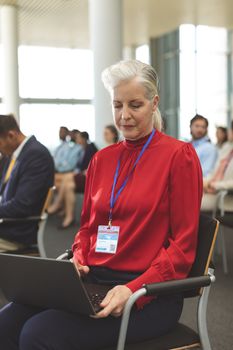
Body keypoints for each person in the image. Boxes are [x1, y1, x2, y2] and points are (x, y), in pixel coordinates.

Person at [0, 60, 202, 350]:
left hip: (148, 294)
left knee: (37, 334)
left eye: (135, 105)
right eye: (117, 105)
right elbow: (87, 229)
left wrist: (133, 289)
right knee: (6, 324)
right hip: (92, 282)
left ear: (154, 103)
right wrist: (80, 255)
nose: (125, 116)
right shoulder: (102, 159)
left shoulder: (178, 156)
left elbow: (183, 249)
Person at [0, 114, 54, 252]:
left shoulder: (36, 155)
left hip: (17, 231)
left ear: (11, 135)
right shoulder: (14, 154)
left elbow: (22, 205)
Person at [48, 131, 98, 228]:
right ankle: (68, 215)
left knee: (66, 178)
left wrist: (80, 171)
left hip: (89, 177)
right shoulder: (82, 149)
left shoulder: (90, 149)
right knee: (67, 185)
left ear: (83, 139)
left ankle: (58, 205)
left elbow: (91, 167)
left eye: (79, 138)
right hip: (80, 174)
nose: (77, 140)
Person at [202, 122, 233, 212]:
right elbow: (214, 172)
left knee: (187, 204)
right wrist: (205, 182)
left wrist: (214, 185)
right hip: (211, 190)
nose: (229, 132)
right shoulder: (227, 147)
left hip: (222, 196)